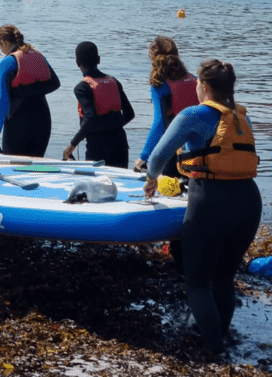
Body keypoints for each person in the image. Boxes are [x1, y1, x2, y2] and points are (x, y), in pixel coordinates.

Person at [144, 59, 261, 356]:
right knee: (223, 276)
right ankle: (222, 340)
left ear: (204, 86)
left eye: (197, 82)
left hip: (211, 201)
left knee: (197, 283)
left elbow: (158, 158)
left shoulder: (194, 115)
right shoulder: (240, 117)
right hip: (249, 202)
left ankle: (215, 353)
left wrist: (152, 180)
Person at [62, 41, 135, 168]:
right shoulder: (114, 82)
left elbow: (90, 118)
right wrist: (112, 126)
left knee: (96, 186)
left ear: (77, 63)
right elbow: (130, 114)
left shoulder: (82, 88)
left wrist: (73, 144)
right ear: (99, 60)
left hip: (97, 148)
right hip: (120, 145)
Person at [0, 24, 60, 156]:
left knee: (14, 167)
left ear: (4, 42)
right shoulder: (38, 55)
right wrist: (29, 91)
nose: (0, 49)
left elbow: (3, 102)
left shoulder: (7, 63)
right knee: (35, 168)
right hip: (42, 120)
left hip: (18, 122)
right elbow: (55, 83)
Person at [135, 36, 199, 174]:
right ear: (177, 55)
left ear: (152, 59)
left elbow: (160, 124)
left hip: (174, 155)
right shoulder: (195, 80)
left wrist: (143, 157)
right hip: (199, 152)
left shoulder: (160, 85)